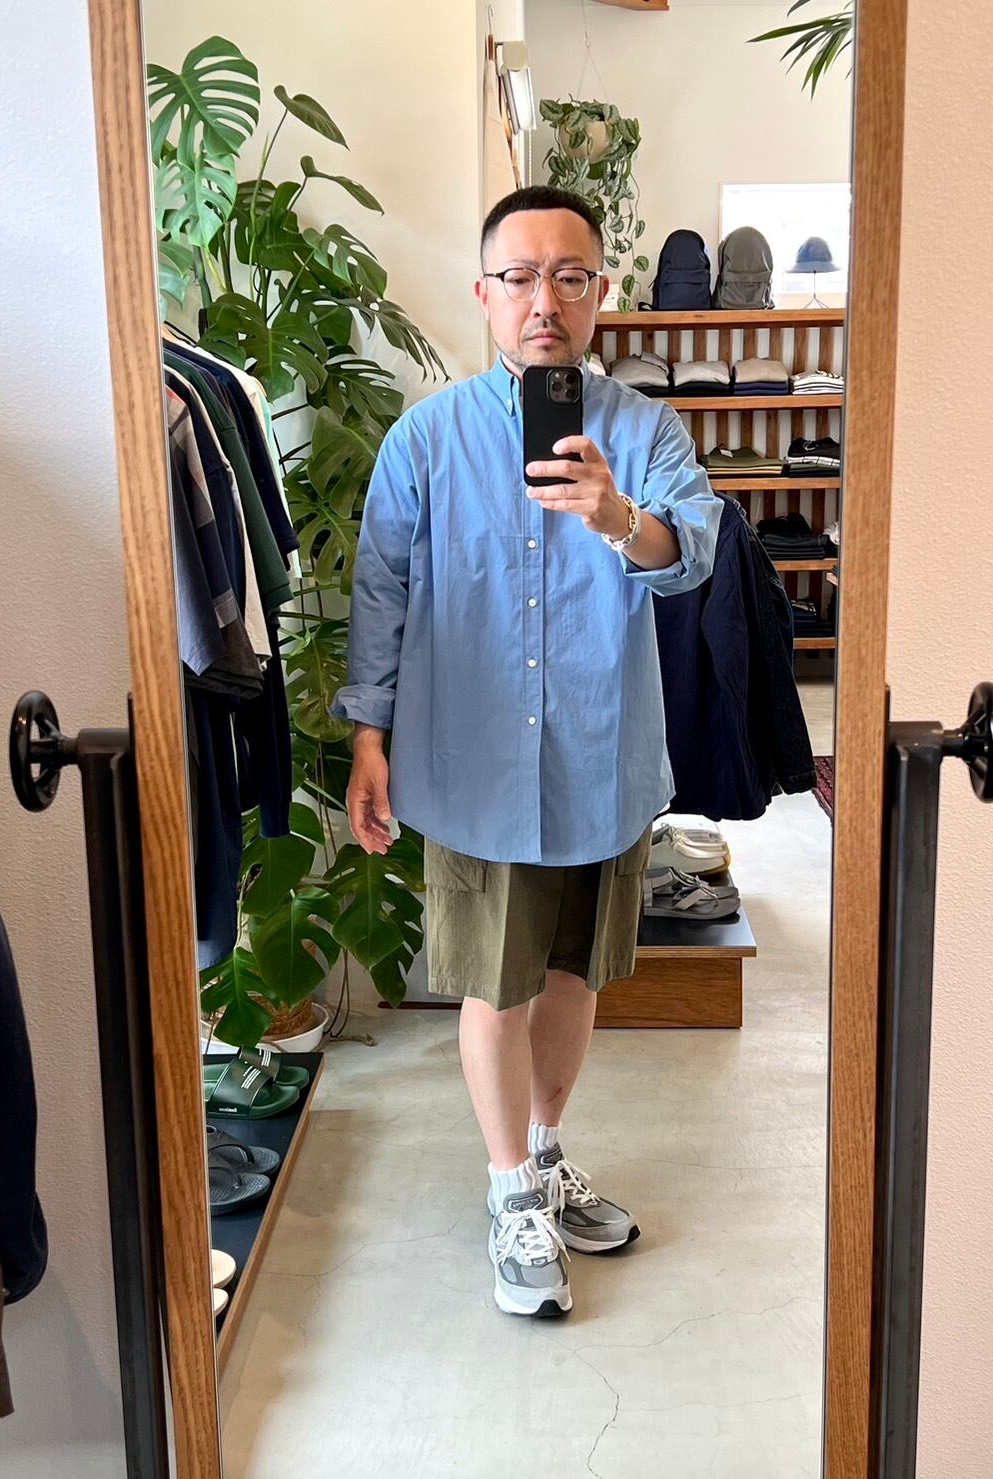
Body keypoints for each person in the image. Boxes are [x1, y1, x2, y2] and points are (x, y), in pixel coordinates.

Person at [332, 185, 722, 1318]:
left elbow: (692, 551)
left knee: (568, 975)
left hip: (599, 758)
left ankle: (544, 1156)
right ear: (484, 292)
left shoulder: (642, 432)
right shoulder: (425, 440)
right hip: (477, 767)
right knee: (494, 985)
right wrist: (369, 738)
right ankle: (510, 1190)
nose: (543, 299)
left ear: (599, 292)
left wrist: (611, 514)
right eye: (520, 276)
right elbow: (380, 595)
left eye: (569, 276)